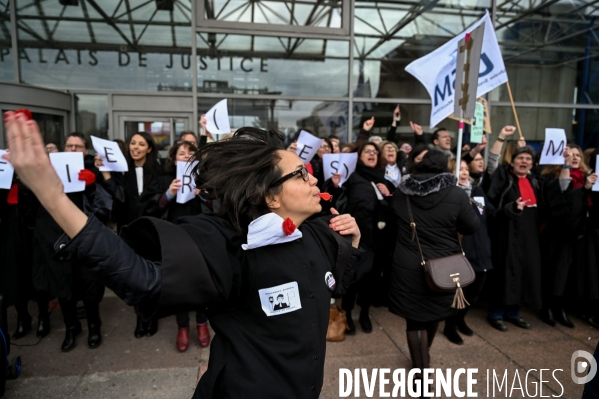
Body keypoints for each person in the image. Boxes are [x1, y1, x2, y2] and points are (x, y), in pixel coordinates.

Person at [4, 113, 362, 398]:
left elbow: (335, 284)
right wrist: (52, 195)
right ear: (270, 197)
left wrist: (354, 242)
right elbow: (141, 279)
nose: (314, 178)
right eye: (301, 173)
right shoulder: (234, 251)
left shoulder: (317, 234)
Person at [389, 150, 479, 394]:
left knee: (414, 319)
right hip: (444, 266)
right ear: (445, 168)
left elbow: (392, 220)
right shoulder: (456, 193)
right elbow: (471, 226)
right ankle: (422, 361)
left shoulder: (401, 192)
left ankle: (420, 371)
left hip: (408, 265)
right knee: (434, 313)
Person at [443, 159, 524, 345]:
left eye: (465, 168)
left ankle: (460, 319)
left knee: (475, 292)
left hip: (481, 250)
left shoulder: (477, 191)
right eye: (458, 169)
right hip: (460, 251)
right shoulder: (448, 194)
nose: (463, 172)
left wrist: (511, 208)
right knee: (458, 292)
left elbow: (492, 214)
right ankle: (450, 325)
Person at [141, 141, 213, 351]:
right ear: (174, 159)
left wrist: (205, 194)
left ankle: (201, 322)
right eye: (181, 154)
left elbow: (216, 206)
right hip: (173, 234)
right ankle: (182, 326)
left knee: (202, 278)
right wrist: (169, 193)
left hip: (200, 234)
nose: (186, 157)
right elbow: (153, 206)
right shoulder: (164, 179)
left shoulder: (204, 178)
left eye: (191, 153)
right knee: (179, 280)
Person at [485, 146, 563, 332]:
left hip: (529, 237)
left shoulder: (536, 181)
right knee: (504, 272)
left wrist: (564, 162)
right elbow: (492, 206)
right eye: (520, 158)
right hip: (506, 234)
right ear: (512, 162)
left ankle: (514, 313)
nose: (524, 161)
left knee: (525, 272)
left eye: (528, 159)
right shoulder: (504, 179)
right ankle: (496, 313)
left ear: (532, 163)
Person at [96, 132, 163, 337]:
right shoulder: (122, 171)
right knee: (134, 275)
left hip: (152, 231)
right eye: (133, 143)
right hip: (129, 230)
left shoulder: (159, 171)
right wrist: (106, 172)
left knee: (151, 274)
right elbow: (118, 199)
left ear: (149, 148)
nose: (135, 147)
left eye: (141, 144)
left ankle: (151, 318)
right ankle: (140, 318)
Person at [330, 142, 395, 334]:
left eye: (375, 151)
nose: (372, 154)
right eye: (367, 151)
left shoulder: (383, 177)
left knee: (372, 279)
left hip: (379, 238)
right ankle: (348, 314)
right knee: (354, 278)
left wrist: (389, 194)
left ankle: (365, 313)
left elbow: (395, 205)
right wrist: (334, 185)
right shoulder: (351, 175)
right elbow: (336, 199)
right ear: (358, 156)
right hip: (358, 237)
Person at [539, 144, 599, 328]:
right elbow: (565, 198)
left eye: (576, 155)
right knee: (555, 271)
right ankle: (547, 308)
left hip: (580, 235)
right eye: (569, 155)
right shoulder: (556, 178)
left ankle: (560, 308)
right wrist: (585, 188)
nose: (574, 158)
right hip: (559, 233)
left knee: (569, 274)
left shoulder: (586, 178)